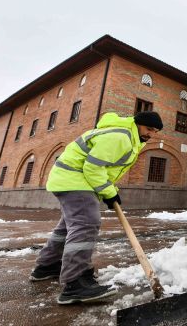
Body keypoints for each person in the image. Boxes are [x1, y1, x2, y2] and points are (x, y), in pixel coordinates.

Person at [29, 111, 163, 304]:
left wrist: (110, 190)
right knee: (85, 224)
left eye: (155, 131)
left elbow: (104, 169)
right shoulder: (121, 137)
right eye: (149, 129)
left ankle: (47, 266)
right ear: (138, 123)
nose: (151, 134)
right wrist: (109, 192)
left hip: (70, 179)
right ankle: (74, 284)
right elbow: (92, 168)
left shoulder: (128, 136)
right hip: (75, 179)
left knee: (68, 227)